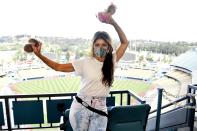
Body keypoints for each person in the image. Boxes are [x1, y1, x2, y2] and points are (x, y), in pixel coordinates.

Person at [31, 14, 128, 131]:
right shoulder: (84, 62)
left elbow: (125, 42)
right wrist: (39, 55)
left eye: (104, 45)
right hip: (81, 105)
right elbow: (58, 67)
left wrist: (112, 22)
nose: (100, 47)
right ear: (93, 46)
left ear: (108, 47)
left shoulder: (112, 60)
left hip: (101, 108)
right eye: (97, 44)